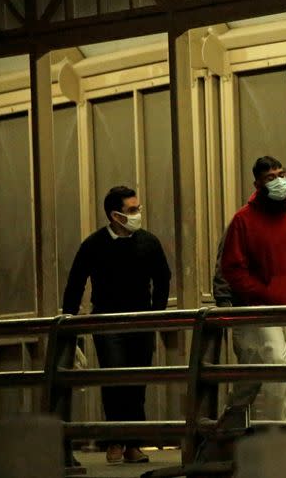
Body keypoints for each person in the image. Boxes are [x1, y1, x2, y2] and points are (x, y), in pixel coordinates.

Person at [62, 186, 171, 465]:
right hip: (107, 321)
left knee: (137, 382)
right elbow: (76, 282)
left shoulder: (148, 242)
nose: (138, 214)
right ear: (116, 215)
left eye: (138, 208)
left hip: (141, 321)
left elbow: (163, 277)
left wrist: (156, 314)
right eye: (132, 210)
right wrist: (68, 319)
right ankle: (115, 438)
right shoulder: (94, 244)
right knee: (114, 381)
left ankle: (133, 443)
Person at [211, 168, 286, 422]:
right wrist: (232, 302)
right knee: (269, 366)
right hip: (255, 309)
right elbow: (227, 266)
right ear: (258, 184)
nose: (279, 183)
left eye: (282, 176)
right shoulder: (244, 220)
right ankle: (267, 426)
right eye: (270, 177)